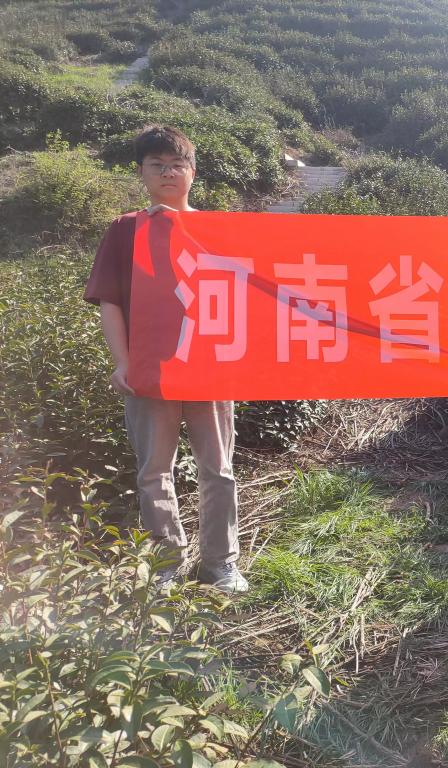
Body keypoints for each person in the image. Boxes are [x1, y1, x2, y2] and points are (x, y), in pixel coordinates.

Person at [84, 124, 248, 593]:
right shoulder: (126, 229)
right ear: (141, 172)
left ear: (193, 172)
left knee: (218, 469)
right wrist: (123, 362)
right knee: (155, 471)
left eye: (177, 164)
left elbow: (247, 294)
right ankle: (166, 564)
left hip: (209, 368)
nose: (168, 172)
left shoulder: (216, 229)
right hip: (150, 370)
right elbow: (111, 301)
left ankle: (220, 563)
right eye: (157, 164)